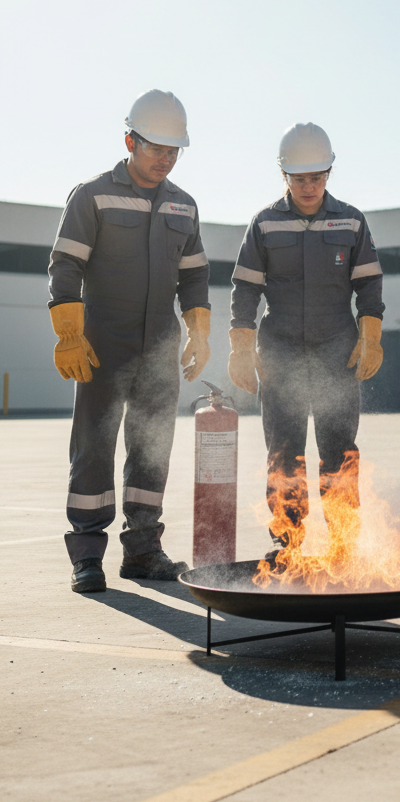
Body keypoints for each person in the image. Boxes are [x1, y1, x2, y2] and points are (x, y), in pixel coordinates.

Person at [48, 90, 211, 594]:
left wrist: (199, 331)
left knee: (151, 449)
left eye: (173, 150)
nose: (165, 158)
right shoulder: (92, 195)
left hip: (160, 344)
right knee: (93, 448)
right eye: (155, 147)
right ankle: (87, 556)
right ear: (129, 141)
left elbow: (195, 277)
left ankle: (143, 550)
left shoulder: (183, 206)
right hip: (103, 344)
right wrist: (70, 334)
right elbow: (65, 264)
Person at [228, 122, 384, 560]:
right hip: (280, 354)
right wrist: (242, 347)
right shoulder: (264, 224)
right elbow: (245, 290)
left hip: (338, 351)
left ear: (329, 173)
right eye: (300, 179)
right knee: (284, 452)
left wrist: (370, 336)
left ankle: (342, 545)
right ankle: (288, 544)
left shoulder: (351, 221)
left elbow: (370, 286)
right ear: (285, 176)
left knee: (338, 450)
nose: (309, 187)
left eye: (316, 177)